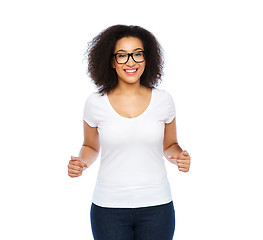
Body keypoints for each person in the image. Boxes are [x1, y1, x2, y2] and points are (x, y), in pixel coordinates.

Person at [67, 24, 191, 240]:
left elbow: (170, 145)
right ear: (111, 62)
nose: (131, 61)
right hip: (108, 208)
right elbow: (90, 146)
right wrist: (81, 162)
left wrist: (179, 157)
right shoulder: (95, 103)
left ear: (147, 58)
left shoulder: (164, 100)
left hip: (157, 207)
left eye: (137, 54)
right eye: (122, 55)